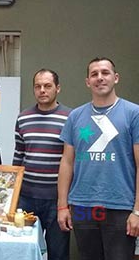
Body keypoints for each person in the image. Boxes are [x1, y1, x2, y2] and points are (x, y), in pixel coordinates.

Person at [57, 57, 139, 260]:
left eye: (105, 73)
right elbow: (67, 162)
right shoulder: (75, 116)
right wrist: (62, 206)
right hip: (82, 207)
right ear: (87, 81)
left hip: (120, 208)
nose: (100, 78)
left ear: (116, 78)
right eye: (94, 74)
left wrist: (137, 211)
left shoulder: (133, 114)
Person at [13, 69, 71, 260]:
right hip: (26, 198)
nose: (42, 90)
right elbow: (18, 157)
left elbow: (73, 161)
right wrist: (13, 196)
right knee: (23, 251)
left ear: (58, 88)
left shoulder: (71, 118)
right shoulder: (23, 117)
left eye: (47, 86)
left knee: (58, 253)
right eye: (38, 86)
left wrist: (67, 201)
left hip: (58, 200)